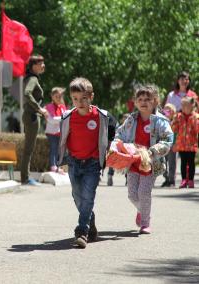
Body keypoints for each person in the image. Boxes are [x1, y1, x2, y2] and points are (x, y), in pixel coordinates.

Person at [58, 77, 117, 248]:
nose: (79, 102)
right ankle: (90, 221)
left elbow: (113, 131)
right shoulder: (68, 117)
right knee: (77, 196)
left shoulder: (102, 116)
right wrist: (62, 160)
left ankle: (81, 231)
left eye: (84, 98)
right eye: (75, 99)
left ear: (91, 97)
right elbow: (63, 139)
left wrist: (111, 147)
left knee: (88, 196)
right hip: (74, 162)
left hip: (92, 163)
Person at [113, 85, 173, 234]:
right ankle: (142, 210)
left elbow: (168, 139)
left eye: (147, 99)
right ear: (135, 102)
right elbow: (119, 134)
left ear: (155, 101)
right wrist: (117, 147)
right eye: (140, 99)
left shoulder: (160, 121)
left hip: (151, 162)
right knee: (132, 194)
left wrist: (153, 151)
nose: (143, 102)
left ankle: (145, 222)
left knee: (144, 193)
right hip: (133, 162)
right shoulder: (131, 119)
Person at [20, 55, 49, 185]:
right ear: (34, 66)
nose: (43, 66)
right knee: (29, 149)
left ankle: (25, 177)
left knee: (28, 148)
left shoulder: (31, 78)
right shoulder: (32, 78)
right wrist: (39, 109)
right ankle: (25, 179)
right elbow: (27, 93)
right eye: (40, 63)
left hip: (29, 115)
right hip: (32, 116)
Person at [171, 97, 199, 188]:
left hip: (192, 145)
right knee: (183, 162)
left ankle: (190, 180)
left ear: (191, 106)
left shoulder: (196, 117)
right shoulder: (178, 116)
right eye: (182, 105)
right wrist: (173, 121)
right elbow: (173, 129)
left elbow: (197, 130)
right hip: (181, 144)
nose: (183, 107)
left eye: (185, 105)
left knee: (191, 163)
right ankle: (183, 180)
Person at [45, 87, 67, 173]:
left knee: (59, 151)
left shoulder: (62, 107)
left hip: (60, 133)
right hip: (51, 133)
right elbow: (52, 120)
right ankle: (53, 165)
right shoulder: (48, 107)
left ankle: (58, 166)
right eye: (56, 96)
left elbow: (65, 119)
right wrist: (62, 118)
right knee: (53, 149)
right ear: (52, 96)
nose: (58, 98)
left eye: (60, 96)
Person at [161, 103, 177, 187]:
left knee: (172, 163)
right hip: (164, 144)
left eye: (169, 110)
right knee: (164, 162)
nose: (167, 111)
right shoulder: (162, 121)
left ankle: (172, 180)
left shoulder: (176, 121)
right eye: (165, 110)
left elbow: (177, 133)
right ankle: (166, 178)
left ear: (173, 111)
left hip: (173, 145)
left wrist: (176, 144)